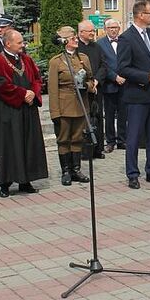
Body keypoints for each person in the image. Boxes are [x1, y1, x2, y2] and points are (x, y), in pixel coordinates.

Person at [0, 28, 48, 197]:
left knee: (27, 143)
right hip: (8, 111)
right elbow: (1, 84)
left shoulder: (26, 59)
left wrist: (33, 93)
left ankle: (25, 180)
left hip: (27, 110)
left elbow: (36, 78)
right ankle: (5, 183)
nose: (23, 45)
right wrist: (22, 94)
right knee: (8, 145)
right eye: (19, 42)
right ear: (8, 43)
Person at [117, 1, 150, 189]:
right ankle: (132, 173)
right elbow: (123, 68)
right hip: (137, 95)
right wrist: (147, 77)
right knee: (134, 136)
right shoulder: (126, 38)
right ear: (140, 15)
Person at [48, 26, 95, 186]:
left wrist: (87, 86)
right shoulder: (56, 62)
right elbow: (52, 89)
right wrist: (55, 112)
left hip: (81, 104)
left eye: (76, 37)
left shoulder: (83, 58)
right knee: (63, 139)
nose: (76, 40)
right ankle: (66, 171)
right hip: (64, 105)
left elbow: (90, 79)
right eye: (72, 38)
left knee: (77, 138)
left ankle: (76, 169)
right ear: (65, 41)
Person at [78, 19, 106, 159]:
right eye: (90, 31)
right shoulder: (76, 48)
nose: (92, 33)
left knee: (98, 118)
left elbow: (103, 65)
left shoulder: (97, 47)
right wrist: (88, 83)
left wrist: (97, 80)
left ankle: (98, 149)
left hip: (96, 88)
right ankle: (85, 151)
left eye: (93, 31)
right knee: (84, 120)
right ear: (81, 32)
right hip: (83, 90)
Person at [97, 18, 127, 152]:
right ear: (106, 29)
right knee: (109, 115)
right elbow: (102, 65)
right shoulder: (100, 44)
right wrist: (115, 77)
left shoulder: (125, 42)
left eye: (116, 27)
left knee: (123, 114)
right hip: (109, 85)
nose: (114, 30)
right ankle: (110, 141)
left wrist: (125, 76)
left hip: (125, 84)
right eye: (111, 28)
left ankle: (122, 140)